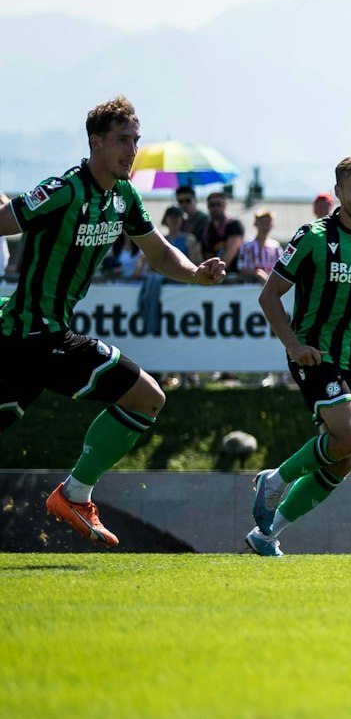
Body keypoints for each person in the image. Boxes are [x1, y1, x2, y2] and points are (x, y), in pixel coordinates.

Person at [0, 97, 227, 546]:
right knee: (147, 396)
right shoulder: (65, 188)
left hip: (31, 338)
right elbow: (4, 220)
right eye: (122, 140)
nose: (131, 150)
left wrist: (195, 274)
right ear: (95, 142)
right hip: (34, 334)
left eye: (136, 141)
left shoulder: (123, 196)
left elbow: (160, 252)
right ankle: (75, 494)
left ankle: (75, 494)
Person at [243, 156, 351, 556]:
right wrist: (293, 346)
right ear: (339, 193)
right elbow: (269, 295)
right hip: (313, 355)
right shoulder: (312, 236)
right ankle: (275, 481)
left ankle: (266, 535)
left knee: (343, 459)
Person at [199, 190, 245, 270]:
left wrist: (215, 272)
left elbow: (230, 254)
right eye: (211, 205)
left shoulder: (234, 225)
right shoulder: (206, 229)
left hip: (230, 275)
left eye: (219, 204)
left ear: (225, 205)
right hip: (212, 273)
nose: (215, 208)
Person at [235, 209, 282, 284]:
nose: (265, 226)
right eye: (262, 223)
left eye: (268, 223)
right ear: (256, 224)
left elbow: (281, 269)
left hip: (272, 287)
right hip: (251, 287)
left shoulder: (276, 247)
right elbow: (241, 267)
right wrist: (258, 273)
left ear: (272, 225)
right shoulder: (247, 245)